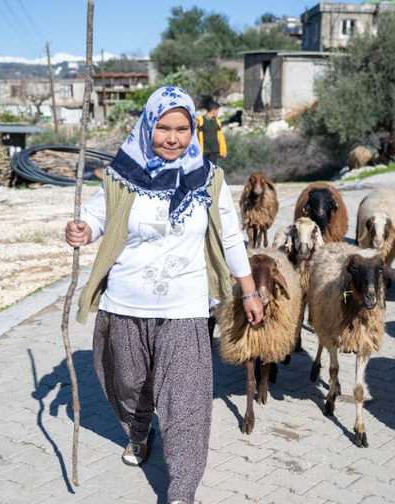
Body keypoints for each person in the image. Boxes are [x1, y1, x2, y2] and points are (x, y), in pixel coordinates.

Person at [65, 86, 263, 504]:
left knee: (187, 404)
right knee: (125, 384)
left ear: (194, 131)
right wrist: (82, 228)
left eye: (182, 128)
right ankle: (139, 432)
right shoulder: (123, 173)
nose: (172, 138)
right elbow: (98, 216)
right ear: (147, 126)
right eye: (163, 128)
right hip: (123, 303)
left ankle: (182, 491)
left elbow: (231, 237)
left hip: (186, 308)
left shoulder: (209, 179)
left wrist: (249, 291)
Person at [196, 101, 227, 165]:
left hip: (214, 151)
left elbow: (221, 137)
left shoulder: (217, 121)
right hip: (203, 152)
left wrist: (224, 150)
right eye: (218, 110)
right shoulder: (200, 120)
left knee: (212, 171)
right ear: (214, 110)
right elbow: (195, 136)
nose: (218, 112)